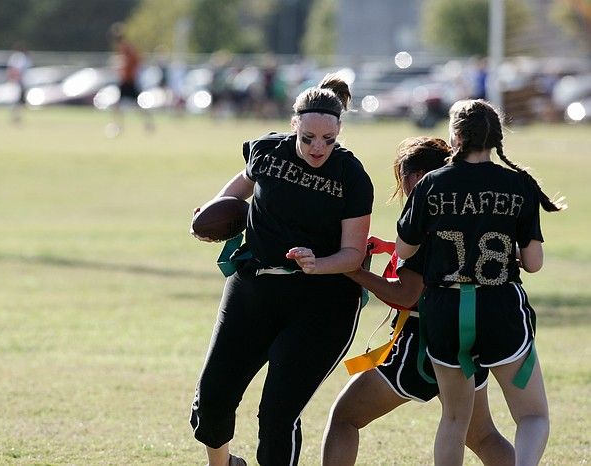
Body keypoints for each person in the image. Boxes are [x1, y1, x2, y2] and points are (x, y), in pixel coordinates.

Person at [189, 73, 374, 466]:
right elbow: (240, 186)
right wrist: (213, 207)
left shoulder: (352, 176)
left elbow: (353, 254)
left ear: (340, 129)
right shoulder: (267, 150)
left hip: (322, 304)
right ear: (295, 125)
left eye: (328, 139)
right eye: (308, 137)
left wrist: (317, 263)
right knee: (213, 398)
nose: (317, 147)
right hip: (254, 289)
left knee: (277, 415)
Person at [321, 137, 514, 466]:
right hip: (467, 337)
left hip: (423, 344)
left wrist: (352, 271)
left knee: (345, 418)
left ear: (418, 176)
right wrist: (388, 249)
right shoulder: (463, 210)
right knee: (482, 435)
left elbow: (407, 294)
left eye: (403, 178)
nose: (403, 188)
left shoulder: (424, 217)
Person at [395, 99, 565, 465]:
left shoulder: (431, 184)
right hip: (499, 308)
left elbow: (405, 251)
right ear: (497, 137)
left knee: (455, 419)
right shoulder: (518, 183)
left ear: (454, 136)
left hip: (444, 309)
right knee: (533, 416)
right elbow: (533, 263)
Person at [107, 23, 153, 137]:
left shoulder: (125, 47)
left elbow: (135, 60)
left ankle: (120, 127)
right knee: (123, 105)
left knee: (124, 105)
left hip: (128, 81)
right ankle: (122, 126)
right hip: (127, 80)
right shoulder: (124, 47)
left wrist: (121, 66)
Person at [6, 41, 32, 124]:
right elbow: (15, 70)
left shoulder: (19, 57)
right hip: (18, 82)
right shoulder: (19, 57)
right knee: (17, 100)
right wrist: (16, 79)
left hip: (20, 82)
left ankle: (16, 116)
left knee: (20, 101)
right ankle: (15, 116)